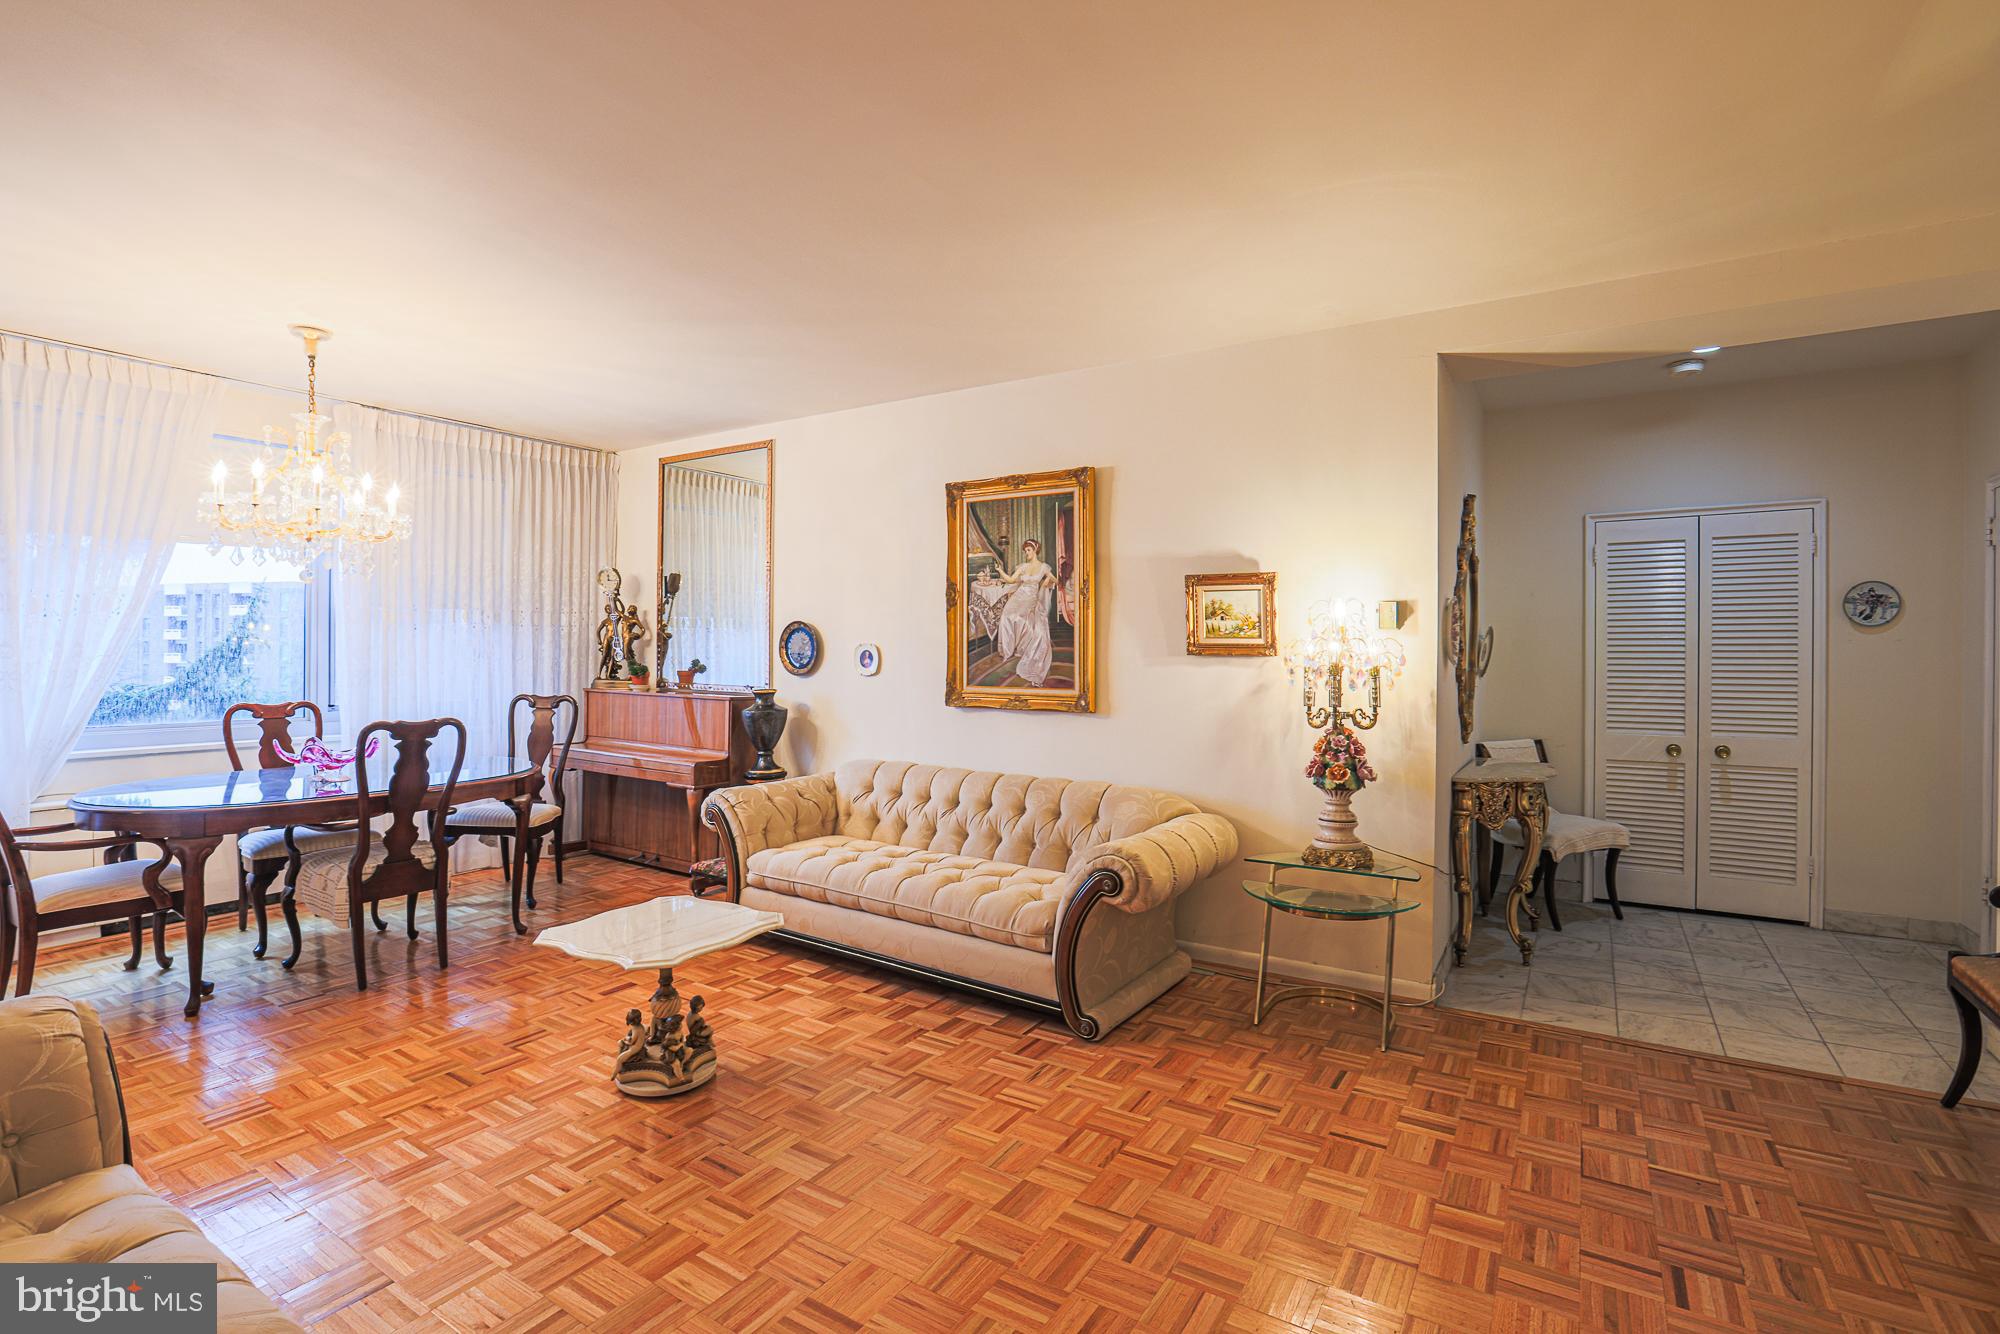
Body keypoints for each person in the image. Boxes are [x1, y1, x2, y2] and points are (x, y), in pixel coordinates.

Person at [993, 538, 1058, 687]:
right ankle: (1008, 649)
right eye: (1025, 551)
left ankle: (1024, 647)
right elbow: (1011, 580)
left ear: (1035, 550)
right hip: (1018, 596)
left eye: (1028, 550)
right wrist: (1000, 571)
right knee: (1007, 615)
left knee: (1022, 618)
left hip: (1031, 598)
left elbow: (1055, 580)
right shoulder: (1023, 566)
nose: (1026, 553)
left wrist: (1047, 581)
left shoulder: (1044, 567)